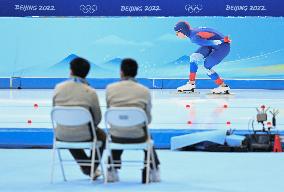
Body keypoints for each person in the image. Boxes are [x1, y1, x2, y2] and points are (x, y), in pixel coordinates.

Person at [105, 58, 160, 183]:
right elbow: (147, 119)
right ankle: (152, 169)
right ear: (136, 72)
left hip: (116, 134)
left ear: (121, 72)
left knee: (118, 131)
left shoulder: (110, 89)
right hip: (138, 135)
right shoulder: (144, 91)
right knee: (147, 136)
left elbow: (110, 113)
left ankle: (111, 169)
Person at [52, 57, 106, 180]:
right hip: (84, 133)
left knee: (68, 129)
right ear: (86, 73)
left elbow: (55, 110)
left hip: (61, 133)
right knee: (102, 136)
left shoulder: (58, 88)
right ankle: (90, 168)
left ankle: (87, 168)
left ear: (70, 71)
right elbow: (97, 119)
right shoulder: (90, 92)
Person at [174, 21, 231, 94]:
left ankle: (223, 86)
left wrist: (222, 40)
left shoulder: (194, 37)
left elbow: (209, 42)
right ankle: (191, 84)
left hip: (223, 47)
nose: (177, 35)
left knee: (206, 66)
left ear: (182, 31)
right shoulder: (194, 32)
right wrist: (222, 38)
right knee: (193, 57)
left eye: (177, 33)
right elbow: (211, 32)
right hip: (214, 45)